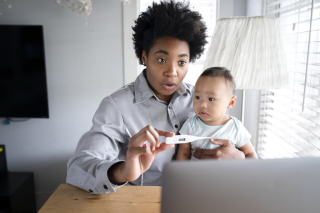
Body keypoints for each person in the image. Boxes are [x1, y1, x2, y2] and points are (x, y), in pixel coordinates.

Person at [66, 1, 245, 195]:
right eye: (161, 60)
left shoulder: (204, 100)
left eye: (182, 62)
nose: (172, 72)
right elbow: (78, 168)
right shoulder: (117, 106)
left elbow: (248, 159)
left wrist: (239, 159)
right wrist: (123, 171)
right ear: (144, 57)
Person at [177, 67, 258, 160]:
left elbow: (250, 153)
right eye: (198, 97)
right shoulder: (190, 125)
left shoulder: (235, 128)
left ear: (230, 102)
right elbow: (183, 154)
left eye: (211, 99)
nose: (202, 104)